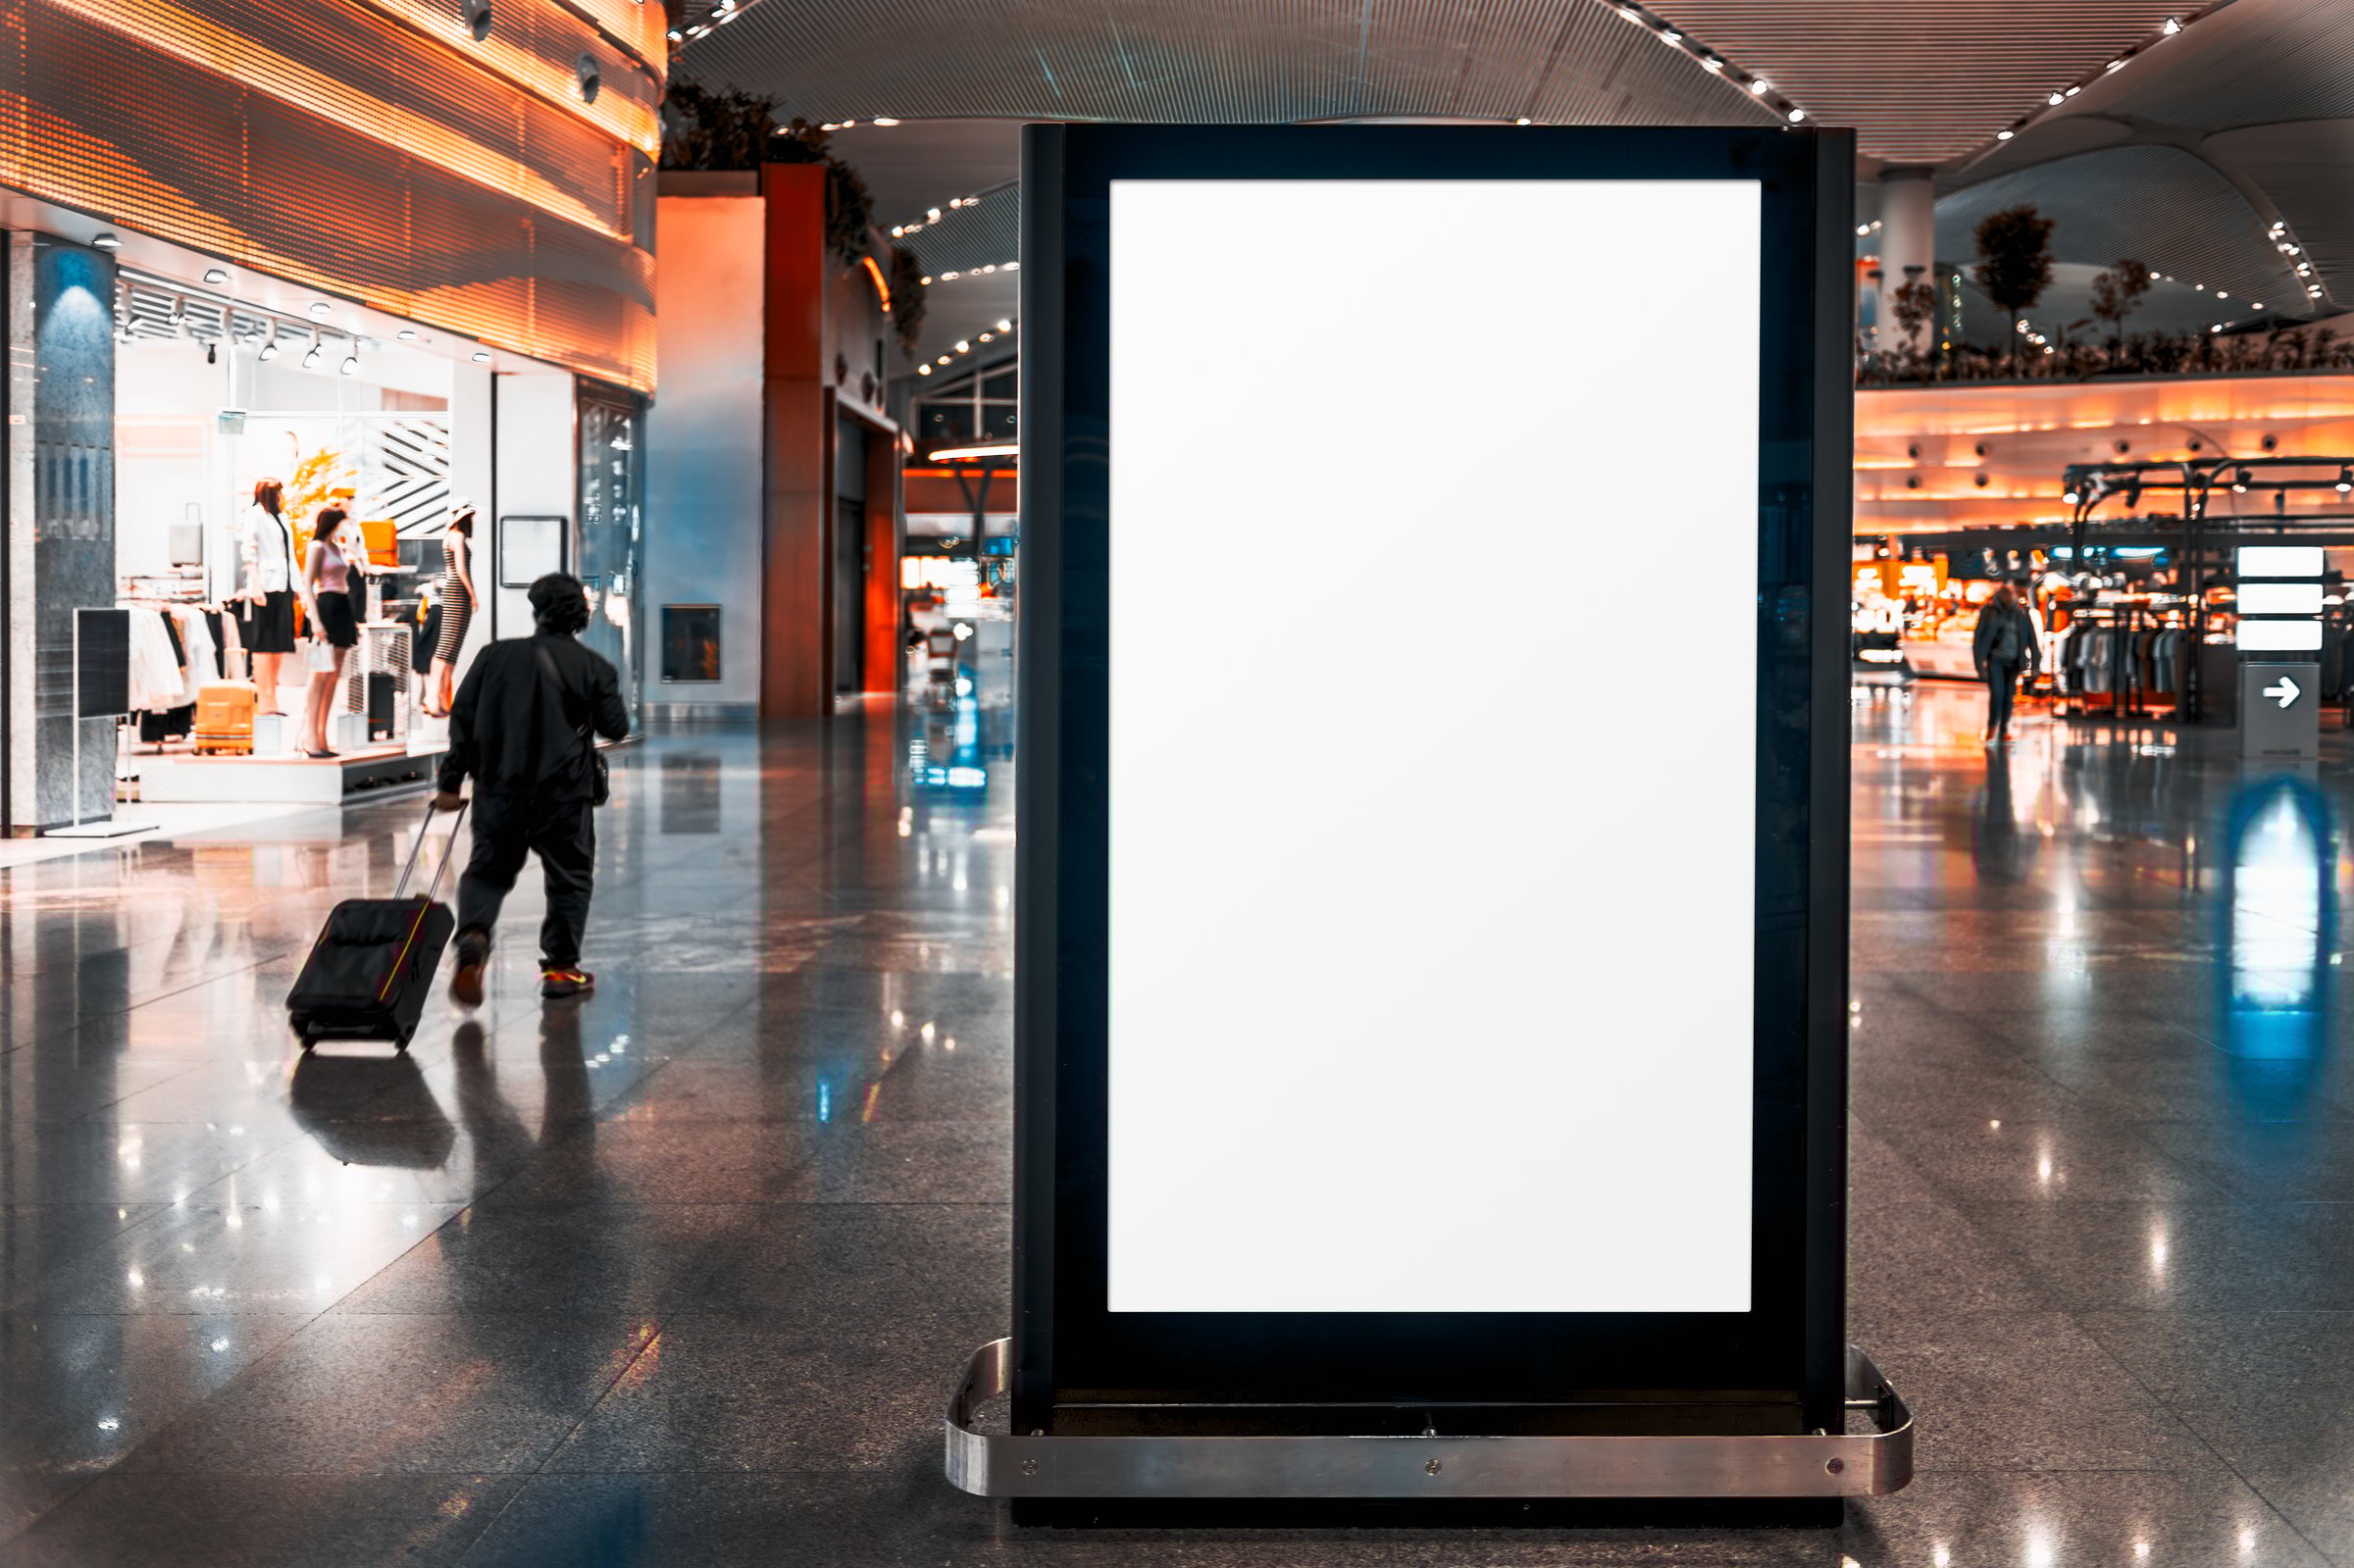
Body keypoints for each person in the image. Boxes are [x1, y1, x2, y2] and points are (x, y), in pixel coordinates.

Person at [433, 574, 629, 1003]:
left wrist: (449, 782)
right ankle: (560, 969)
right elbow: (617, 728)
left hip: (498, 790)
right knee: (569, 878)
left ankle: (474, 937)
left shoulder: (493, 657)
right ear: (581, 616)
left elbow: (461, 722)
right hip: (563, 795)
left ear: (537, 612)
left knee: (487, 871)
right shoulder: (595, 667)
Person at [295, 507, 367, 757]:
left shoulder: (337, 547)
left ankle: (322, 737)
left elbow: (357, 564)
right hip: (326, 606)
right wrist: (314, 621)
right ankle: (311, 738)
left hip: (343, 606)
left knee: (334, 675)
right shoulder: (317, 547)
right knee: (320, 674)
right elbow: (307, 585)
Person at [234, 478, 299, 718]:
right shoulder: (255, 514)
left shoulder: (281, 517)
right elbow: (249, 551)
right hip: (266, 585)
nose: (282, 497)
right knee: (264, 643)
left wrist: (298, 586)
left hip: (283, 584)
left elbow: (289, 554)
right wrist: (256, 586)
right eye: (278, 493)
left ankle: (273, 699)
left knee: (279, 644)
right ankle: (264, 700)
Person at [425, 502, 478, 719]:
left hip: (454, 590)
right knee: (447, 646)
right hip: (457, 591)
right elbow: (461, 568)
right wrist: (473, 594)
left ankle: (440, 699)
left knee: (450, 646)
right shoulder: (457, 536)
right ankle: (433, 698)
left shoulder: (450, 536)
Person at [1972, 581, 2040, 745]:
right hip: (1995, 660)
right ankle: (1992, 727)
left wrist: (2036, 664)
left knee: (2009, 696)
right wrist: (1979, 664)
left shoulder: (2021, 613)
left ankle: (2003, 729)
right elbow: (1979, 639)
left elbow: (2032, 639)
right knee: (1998, 694)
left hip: (2014, 661)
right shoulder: (1989, 612)